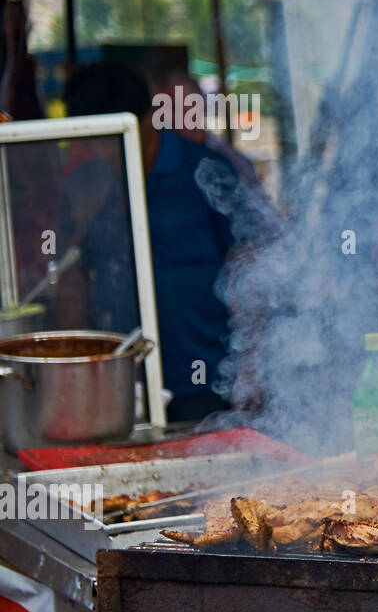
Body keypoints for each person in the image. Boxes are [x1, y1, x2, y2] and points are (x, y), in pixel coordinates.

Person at [60, 62, 258, 422]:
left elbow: (248, 263)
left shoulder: (206, 170)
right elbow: (72, 277)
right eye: (93, 140)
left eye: (112, 136)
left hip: (204, 381)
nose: (105, 151)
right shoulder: (86, 184)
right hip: (120, 383)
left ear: (148, 117)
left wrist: (252, 363)